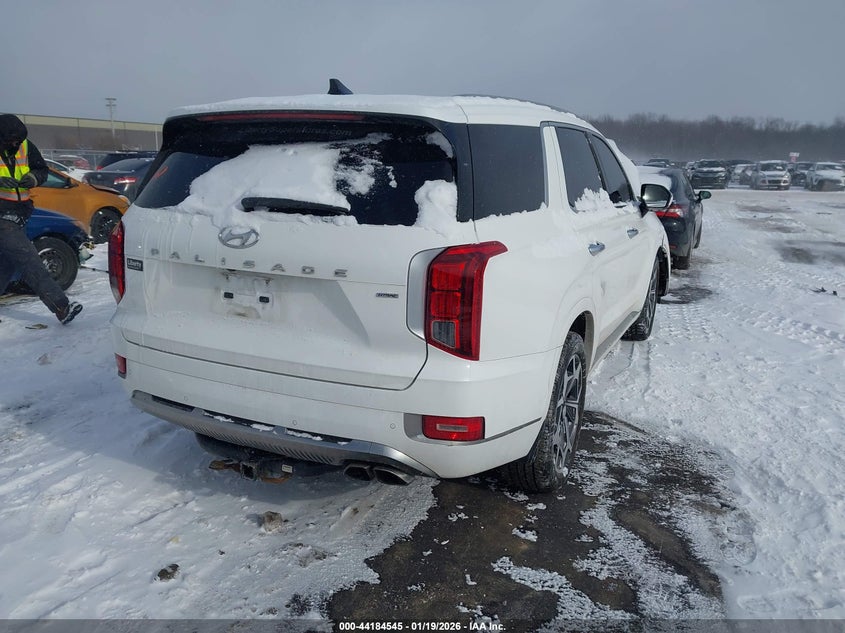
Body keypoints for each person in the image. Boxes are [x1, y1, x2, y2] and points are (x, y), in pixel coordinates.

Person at [0, 114, 82, 324]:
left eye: (18, 141)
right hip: (2, 217)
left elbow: (42, 169)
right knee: (29, 259)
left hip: (20, 212)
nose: (16, 145)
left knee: (8, 263)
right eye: (11, 142)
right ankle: (61, 306)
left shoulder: (26, 146)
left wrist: (34, 177)